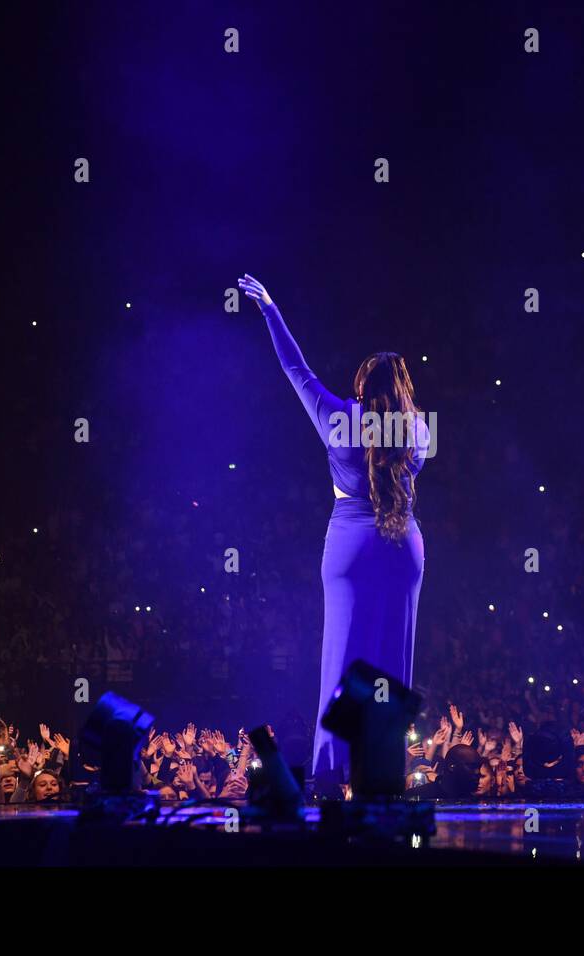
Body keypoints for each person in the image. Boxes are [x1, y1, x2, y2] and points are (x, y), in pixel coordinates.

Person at [240, 273, 431, 791]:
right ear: (405, 390)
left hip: (350, 545)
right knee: (392, 663)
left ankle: (330, 776)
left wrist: (271, 309)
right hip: (403, 546)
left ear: (363, 387)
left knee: (342, 660)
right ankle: (384, 773)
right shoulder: (420, 430)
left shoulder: (339, 418)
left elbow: (294, 368)